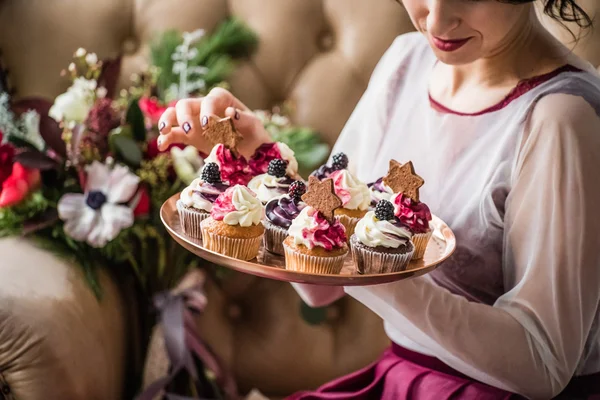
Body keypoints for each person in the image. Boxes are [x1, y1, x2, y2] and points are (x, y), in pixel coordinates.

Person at [156, 0, 600, 398]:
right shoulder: (405, 63)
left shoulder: (563, 119)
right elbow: (319, 290)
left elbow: (544, 366)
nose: (438, 17)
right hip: (401, 378)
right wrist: (263, 164)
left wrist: (377, 266)